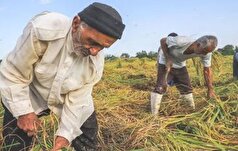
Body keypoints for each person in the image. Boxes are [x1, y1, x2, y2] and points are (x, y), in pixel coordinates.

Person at [0, 2, 125, 151]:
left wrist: (65, 135)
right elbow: (14, 72)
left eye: (102, 47)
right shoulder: (44, 29)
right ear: (76, 23)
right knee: (15, 143)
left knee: (86, 141)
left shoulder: (95, 64)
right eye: (92, 42)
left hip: (67, 98)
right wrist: (23, 112)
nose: (94, 52)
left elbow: (78, 101)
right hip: (30, 92)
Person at [150, 33, 218, 115]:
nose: (204, 54)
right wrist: (168, 58)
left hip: (180, 64)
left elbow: (207, 70)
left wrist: (210, 89)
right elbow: (163, 41)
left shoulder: (207, 52)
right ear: (198, 44)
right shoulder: (181, 41)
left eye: (207, 52)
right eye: (204, 51)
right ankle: (154, 116)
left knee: (186, 88)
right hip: (165, 61)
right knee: (161, 87)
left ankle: (190, 111)